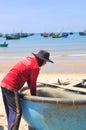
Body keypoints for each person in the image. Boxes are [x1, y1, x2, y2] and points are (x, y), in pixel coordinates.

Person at [0, 50, 54, 130]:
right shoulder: (35, 68)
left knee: (10, 111)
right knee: (18, 112)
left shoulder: (28, 59)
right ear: (41, 60)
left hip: (4, 83)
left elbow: (29, 80)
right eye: (45, 61)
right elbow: (32, 85)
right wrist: (34, 98)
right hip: (12, 86)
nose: (45, 64)